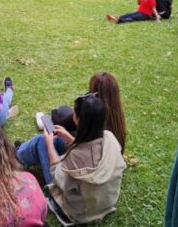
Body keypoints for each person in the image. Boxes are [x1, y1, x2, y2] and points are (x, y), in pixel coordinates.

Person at [16, 94, 126, 225]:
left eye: (74, 112)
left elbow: (56, 174)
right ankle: (22, 149)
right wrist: (69, 137)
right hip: (106, 201)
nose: (72, 113)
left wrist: (49, 143)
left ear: (78, 119)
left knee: (41, 141)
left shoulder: (75, 156)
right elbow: (90, 150)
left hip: (77, 212)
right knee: (58, 141)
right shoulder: (110, 138)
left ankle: (18, 154)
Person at [45, 72, 127, 154]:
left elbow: (60, 123)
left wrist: (53, 111)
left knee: (44, 138)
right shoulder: (117, 114)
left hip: (88, 154)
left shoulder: (91, 110)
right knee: (64, 109)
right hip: (109, 156)